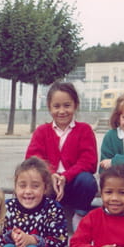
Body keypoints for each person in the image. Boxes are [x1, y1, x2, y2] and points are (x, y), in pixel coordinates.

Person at [25, 82, 97, 231]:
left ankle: (79, 216)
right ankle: (44, 218)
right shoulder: (42, 131)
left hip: (74, 185)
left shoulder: (84, 130)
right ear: (49, 107)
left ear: (75, 105)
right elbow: (32, 159)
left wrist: (65, 177)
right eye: (56, 106)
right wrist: (51, 175)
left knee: (87, 180)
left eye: (67, 105)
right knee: (34, 179)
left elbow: (89, 161)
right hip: (49, 185)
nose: (62, 111)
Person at [0, 157, 68, 247]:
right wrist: (11, 237)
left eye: (35, 186)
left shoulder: (53, 208)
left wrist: (33, 240)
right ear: (15, 187)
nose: (28, 191)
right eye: (22, 186)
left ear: (45, 188)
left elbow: (60, 243)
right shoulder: (7, 207)